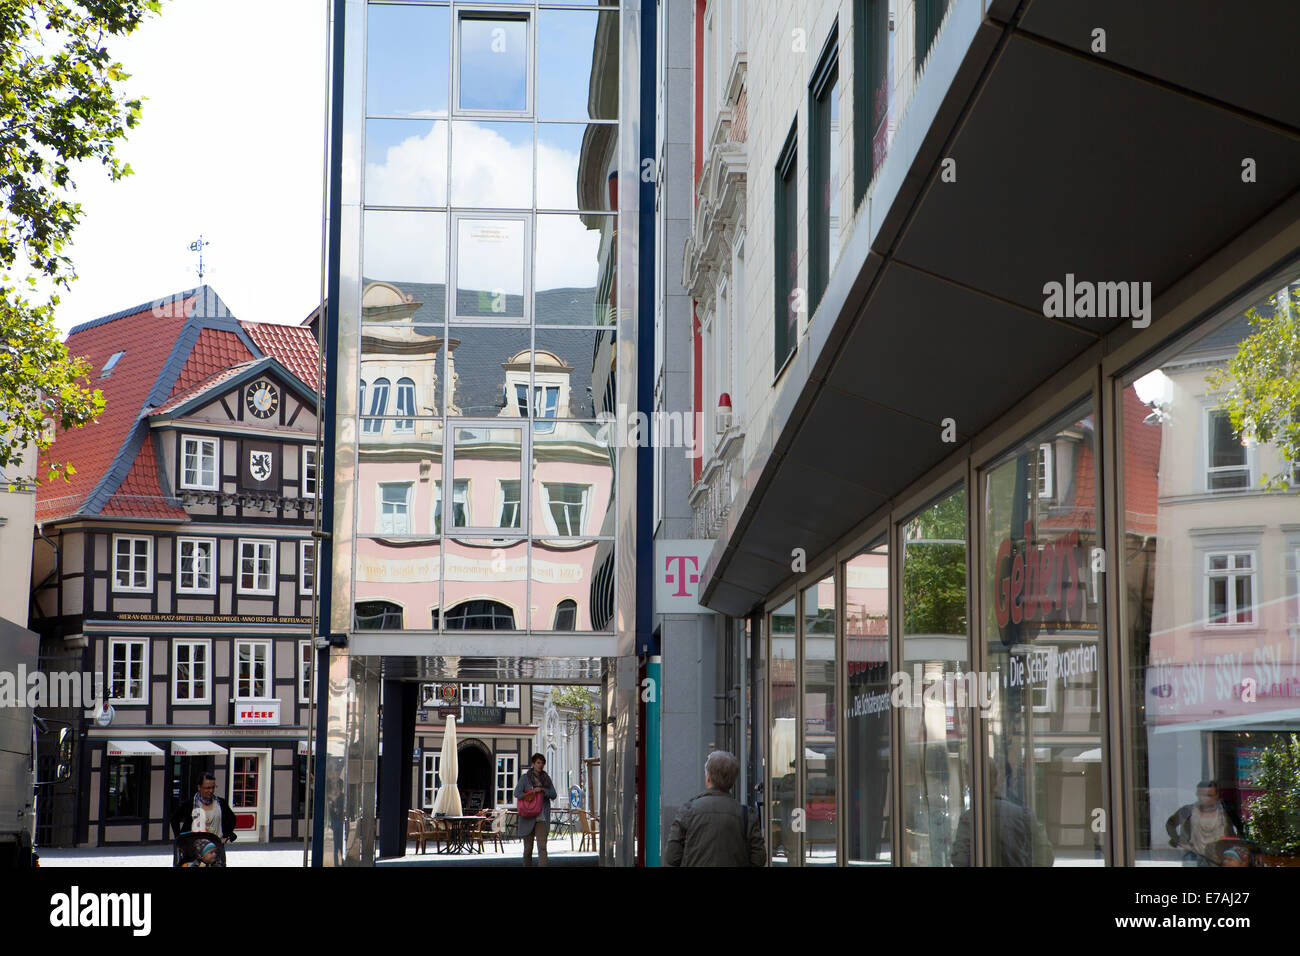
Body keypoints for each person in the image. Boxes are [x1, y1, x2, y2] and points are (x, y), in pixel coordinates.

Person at [664, 751, 765, 867]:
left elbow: (672, 857)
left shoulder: (687, 811)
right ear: (732, 782)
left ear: (708, 779)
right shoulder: (746, 815)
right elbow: (759, 858)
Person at [951, 765, 1054, 867]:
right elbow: (1045, 855)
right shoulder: (1023, 814)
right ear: (996, 782)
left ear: (970, 784)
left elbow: (959, 859)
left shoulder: (969, 819)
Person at [1166, 780, 1240, 866]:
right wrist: (1178, 840)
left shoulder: (1227, 811)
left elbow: (1241, 828)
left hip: (1220, 856)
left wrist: (1237, 845)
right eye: (1202, 795)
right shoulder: (1188, 811)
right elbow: (1170, 824)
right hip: (1194, 855)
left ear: (1217, 795)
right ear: (1197, 794)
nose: (1205, 799)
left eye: (1209, 795)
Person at [170, 771, 238, 845]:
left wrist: (227, 835)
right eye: (207, 788)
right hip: (194, 846)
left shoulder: (220, 803)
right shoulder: (190, 804)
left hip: (216, 846)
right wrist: (179, 838)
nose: (211, 791)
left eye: (213, 787)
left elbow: (232, 819)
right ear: (199, 787)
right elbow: (174, 819)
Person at [514, 753, 557, 867]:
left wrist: (543, 789)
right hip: (528, 816)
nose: (540, 765)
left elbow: (553, 794)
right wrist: (532, 792)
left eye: (542, 763)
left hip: (542, 817)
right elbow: (517, 793)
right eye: (538, 762)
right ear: (533, 764)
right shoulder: (525, 778)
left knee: (542, 848)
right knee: (528, 849)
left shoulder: (546, 778)